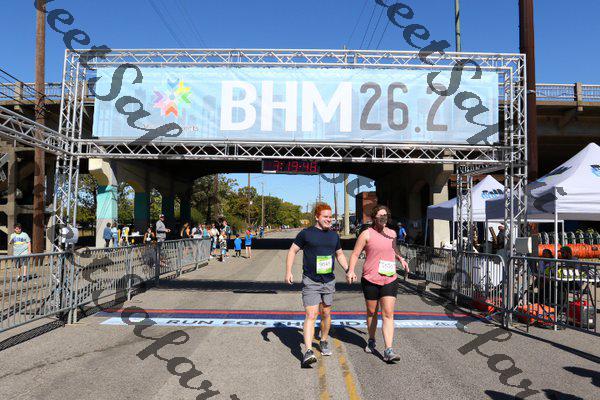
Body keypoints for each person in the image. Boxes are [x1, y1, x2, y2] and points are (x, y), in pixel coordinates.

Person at [285, 203, 350, 367]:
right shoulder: (306, 234)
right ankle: (308, 351)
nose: (329, 219)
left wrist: (348, 269)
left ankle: (324, 340)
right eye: (325, 217)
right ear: (317, 217)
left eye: (330, 217)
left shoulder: (334, 236)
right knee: (311, 314)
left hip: (328, 281)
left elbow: (340, 254)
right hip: (311, 281)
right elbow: (292, 251)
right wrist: (288, 271)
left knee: (326, 313)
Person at [348, 205, 409, 363]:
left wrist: (401, 259)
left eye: (386, 215)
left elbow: (394, 249)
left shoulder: (392, 233)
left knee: (388, 313)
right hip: (370, 278)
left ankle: (388, 349)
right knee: (371, 312)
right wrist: (351, 270)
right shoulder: (366, 234)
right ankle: (371, 338)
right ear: (374, 217)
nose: (383, 218)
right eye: (381, 215)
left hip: (389, 278)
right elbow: (355, 254)